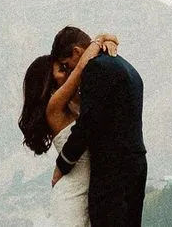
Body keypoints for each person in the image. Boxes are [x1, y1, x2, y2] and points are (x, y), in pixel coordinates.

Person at [48, 26, 148, 227]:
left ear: (77, 52)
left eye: (67, 65)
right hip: (136, 165)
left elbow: (88, 123)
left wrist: (63, 164)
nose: (70, 72)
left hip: (112, 171)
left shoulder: (95, 69)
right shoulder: (126, 66)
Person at [18, 32, 117, 227]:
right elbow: (81, 67)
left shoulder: (73, 103)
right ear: (47, 79)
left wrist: (110, 40)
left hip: (88, 195)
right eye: (61, 69)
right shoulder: (53, 107)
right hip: (71, 198)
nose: (68, 73)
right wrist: (100, 39)